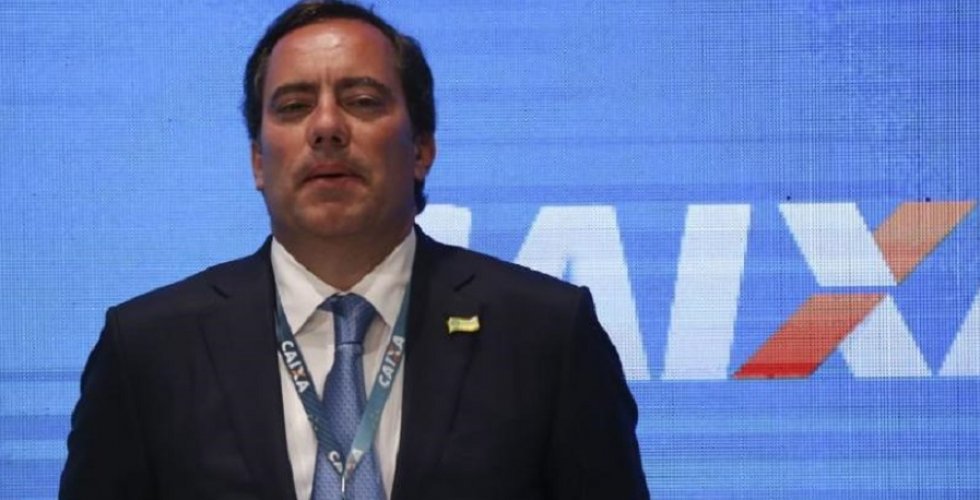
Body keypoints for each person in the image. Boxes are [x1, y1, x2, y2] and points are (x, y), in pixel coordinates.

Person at [59, 1, 649, 499]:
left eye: (363, 100)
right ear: (258, 161)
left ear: (421, 149)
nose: (326, 127)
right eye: (293, 106)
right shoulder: (150, 348)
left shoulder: (545, 333)